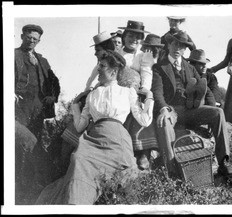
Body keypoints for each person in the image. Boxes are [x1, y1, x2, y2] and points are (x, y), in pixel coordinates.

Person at [35, 50, 154, 205]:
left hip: (117, 140)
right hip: (93, 138)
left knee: (124, 170)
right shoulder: (93, 95)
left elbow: (144, 120)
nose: (98, 70)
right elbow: (79, 127)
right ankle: (76, 204)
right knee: (78, 158)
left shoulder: (127, 92)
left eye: (102, 67)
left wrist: (149, 96)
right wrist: (75, 106)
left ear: (113, 71)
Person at [151, 30, 232, 178]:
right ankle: (171, 170)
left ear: (185, 49)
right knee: (164, 120)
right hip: (172, 110)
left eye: (182, 46)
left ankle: (223, 163)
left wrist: (212, 106)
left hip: (190, 109)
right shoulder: (159, 67)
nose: (178, 48)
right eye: (175, 44)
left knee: (218, 113)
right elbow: (157, 92)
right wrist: (164, 108)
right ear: (169, 45)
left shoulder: (190, 68)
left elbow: (207, 91)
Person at [15, 24, 61, 204]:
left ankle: (32, 185)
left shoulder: (42, 60)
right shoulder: (12, 55)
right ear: (22, 36)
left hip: (38, 111)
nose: (31, 41)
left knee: (35, 146)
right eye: (28, 37)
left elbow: (54, 82)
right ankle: (18, 185)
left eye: (35, 39)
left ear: (39, 41)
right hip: (19, 109)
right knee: (20, 145)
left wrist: (52, 96)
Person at [60, 31, 116, 174]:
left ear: (106, 50)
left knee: (72, 135)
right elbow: (90, 85)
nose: (95, 53)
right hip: (90, 105)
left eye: (97, 50)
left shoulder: (115, 65)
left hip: (103, 112)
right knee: (68, 134)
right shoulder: (98, 67)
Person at [126, 33, 165, 169]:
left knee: (146, 110)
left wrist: (145, 91)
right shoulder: (140, 57)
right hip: (134, 90)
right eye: (149, 47)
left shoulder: (160, 62)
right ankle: (134, 150)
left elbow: (149, 76)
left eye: (156, 48)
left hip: (154, 92)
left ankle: (145, 152)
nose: (153, 50)